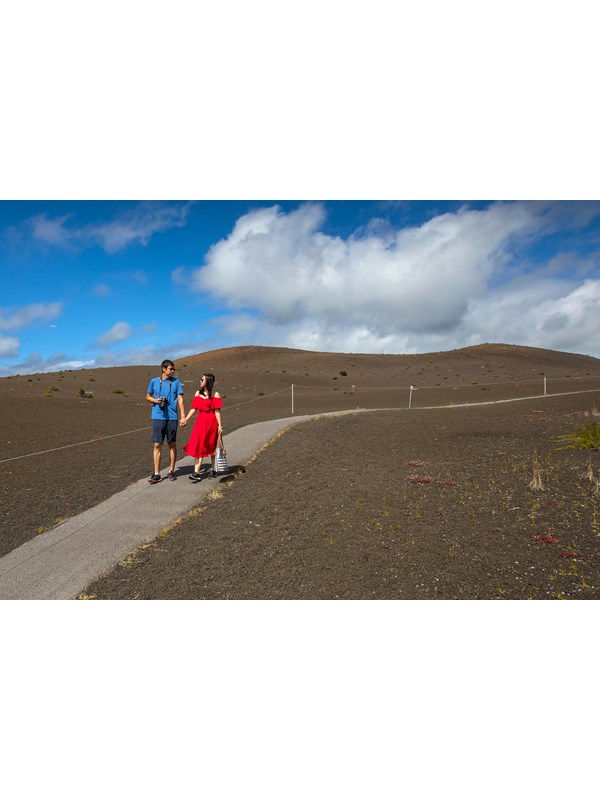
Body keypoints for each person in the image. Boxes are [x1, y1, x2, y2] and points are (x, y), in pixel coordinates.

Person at [146, 359, 186, 483]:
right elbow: (148, 396)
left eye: (174, 369)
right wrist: (156, 401)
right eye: (171, 368)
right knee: (157, 444)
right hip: (158, 416)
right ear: (163, 369)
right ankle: (157, 473)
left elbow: (180, 399)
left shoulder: (176, 382)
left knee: (172, 444)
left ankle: (171, 471)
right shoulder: (153, 381)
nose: (173, 371)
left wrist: (183, 416)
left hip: (172, 417)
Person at [181, 372, 223, 481]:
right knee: (198, 445)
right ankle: (196, 472)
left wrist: (220, 426)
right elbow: (193, 408)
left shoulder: (215, 394)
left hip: (211, 424)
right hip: (200, 424)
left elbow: (217, 412)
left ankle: (214, 470)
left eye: (202, 380)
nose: (200, 381)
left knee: (212, 446)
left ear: (208, 382)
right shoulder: (197, 393)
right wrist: (186, 419)